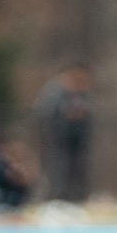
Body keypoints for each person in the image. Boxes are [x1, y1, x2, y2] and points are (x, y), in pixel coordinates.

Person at [35, 65, 92, 202]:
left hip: (77, 139)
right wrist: (66, 116)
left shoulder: (81, 93)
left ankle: (76, 197)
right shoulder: (55, 92)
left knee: (78, 169)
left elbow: (88, 113)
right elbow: (46, 113)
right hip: (59, 139)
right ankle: (58, 197)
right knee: (59, 168)